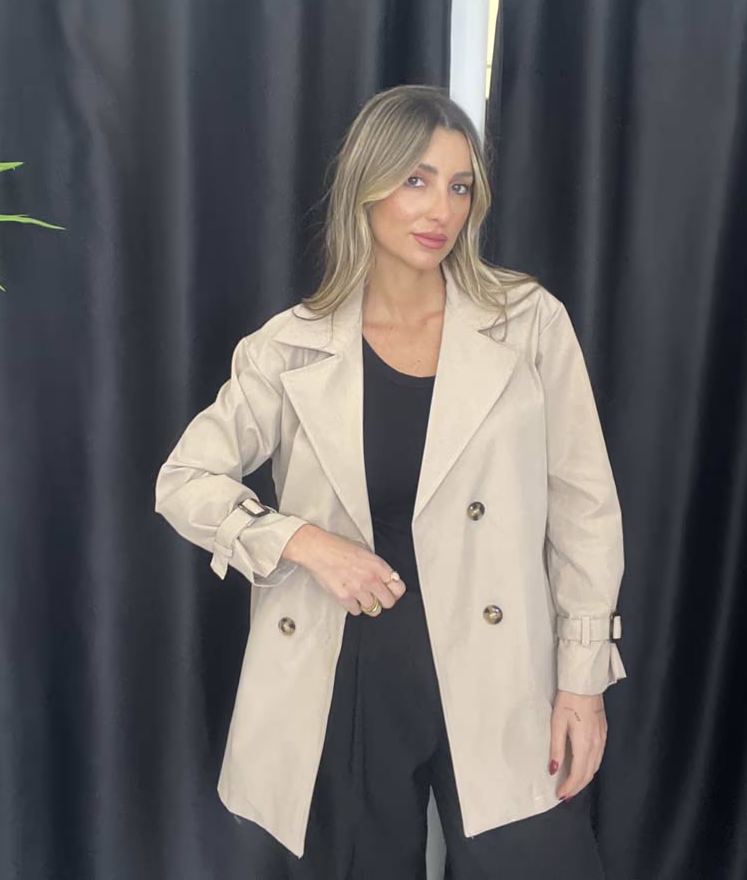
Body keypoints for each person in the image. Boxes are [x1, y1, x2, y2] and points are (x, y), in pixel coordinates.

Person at [154, 84, 626, 879]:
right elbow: (183, 478)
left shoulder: (527, 324)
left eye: (459, 185)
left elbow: (584, 507)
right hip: (348, 676)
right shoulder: (290, 348)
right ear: (365, 186)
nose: (441, 207)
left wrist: (583, 681)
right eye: (415, 179)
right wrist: (301, 541)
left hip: (501, 666)